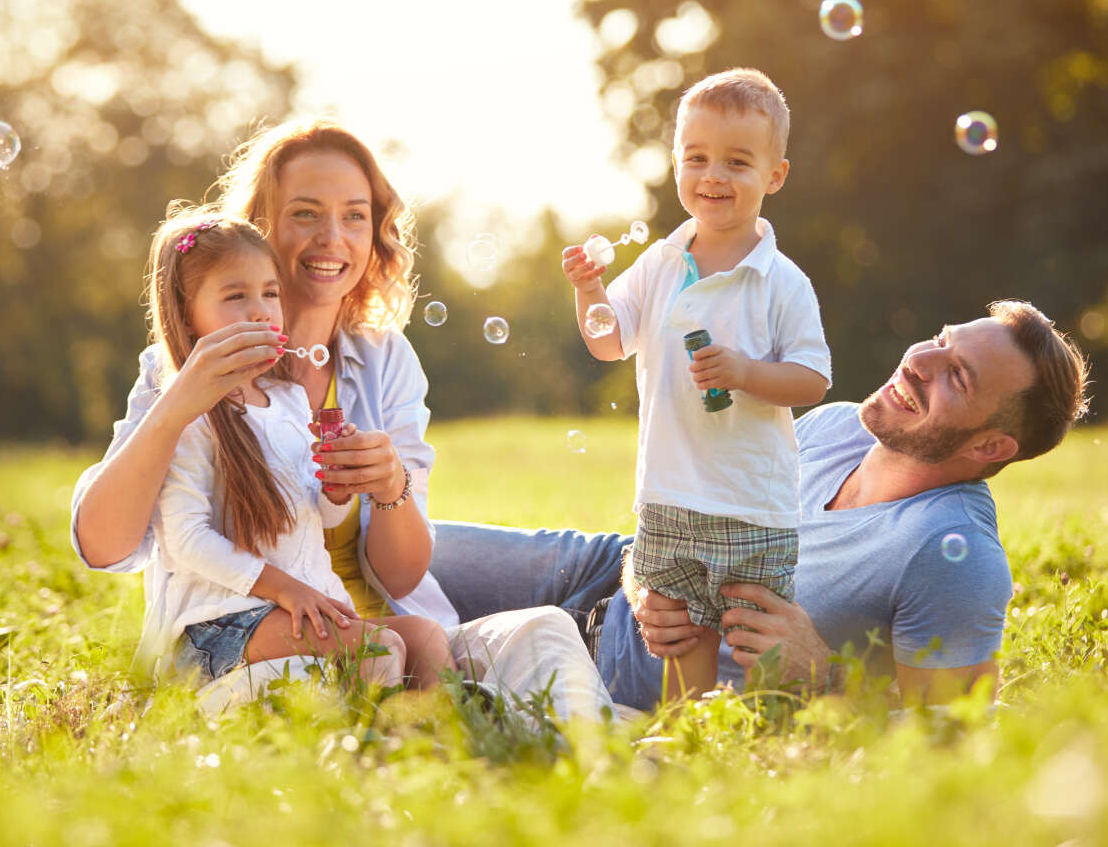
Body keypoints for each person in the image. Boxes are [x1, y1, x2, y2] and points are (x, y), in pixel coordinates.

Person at [70, 118, 612, 720]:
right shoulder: (182, 367)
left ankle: (601, 760)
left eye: (355, 216)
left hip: (381, 629)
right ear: (259, 229)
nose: (334, 238)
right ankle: (459, 734)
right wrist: (177, 404)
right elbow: (103, 546)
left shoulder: (384, 360)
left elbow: (402, 575)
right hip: (254, 641)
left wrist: (389, 488)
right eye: (305, 213)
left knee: (546, 629)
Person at [429, 300, 1090, 709]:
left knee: (402, 651)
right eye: (942, 340)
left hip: (623, 669)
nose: (920, 359)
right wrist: (644, 572)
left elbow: (954, 741)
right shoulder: (837, 426)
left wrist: (825, 677)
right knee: (383, 545)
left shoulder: (955, 556)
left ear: (991, 445)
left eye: (957, 375)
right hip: (606, 569)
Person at [561, 68, 830, 698]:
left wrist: (745, 373)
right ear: (677, 163)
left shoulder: (781, 281)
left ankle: (774, 731)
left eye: (738, 162)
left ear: (774, 176)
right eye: (697, 158)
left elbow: (813, 379)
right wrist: (589, 290)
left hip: (751, 502)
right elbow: (607, 339)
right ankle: (688, 736)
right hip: (670, 492)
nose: (714, 176)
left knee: (755, 631)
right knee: (680, 632)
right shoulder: (660, 262)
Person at [133, 207, 454, 690]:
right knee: (378, 647)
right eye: (236, 296)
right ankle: (375, 753)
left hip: (291, 605)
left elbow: (318, 517)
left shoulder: (287, 400)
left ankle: (440, 745)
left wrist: (336, 486)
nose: (261, 310)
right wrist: (285, 589)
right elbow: (186, 538)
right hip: (218, 623)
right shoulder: (187, 412)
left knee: (425, 637)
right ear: (187, 314)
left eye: (270, 293)